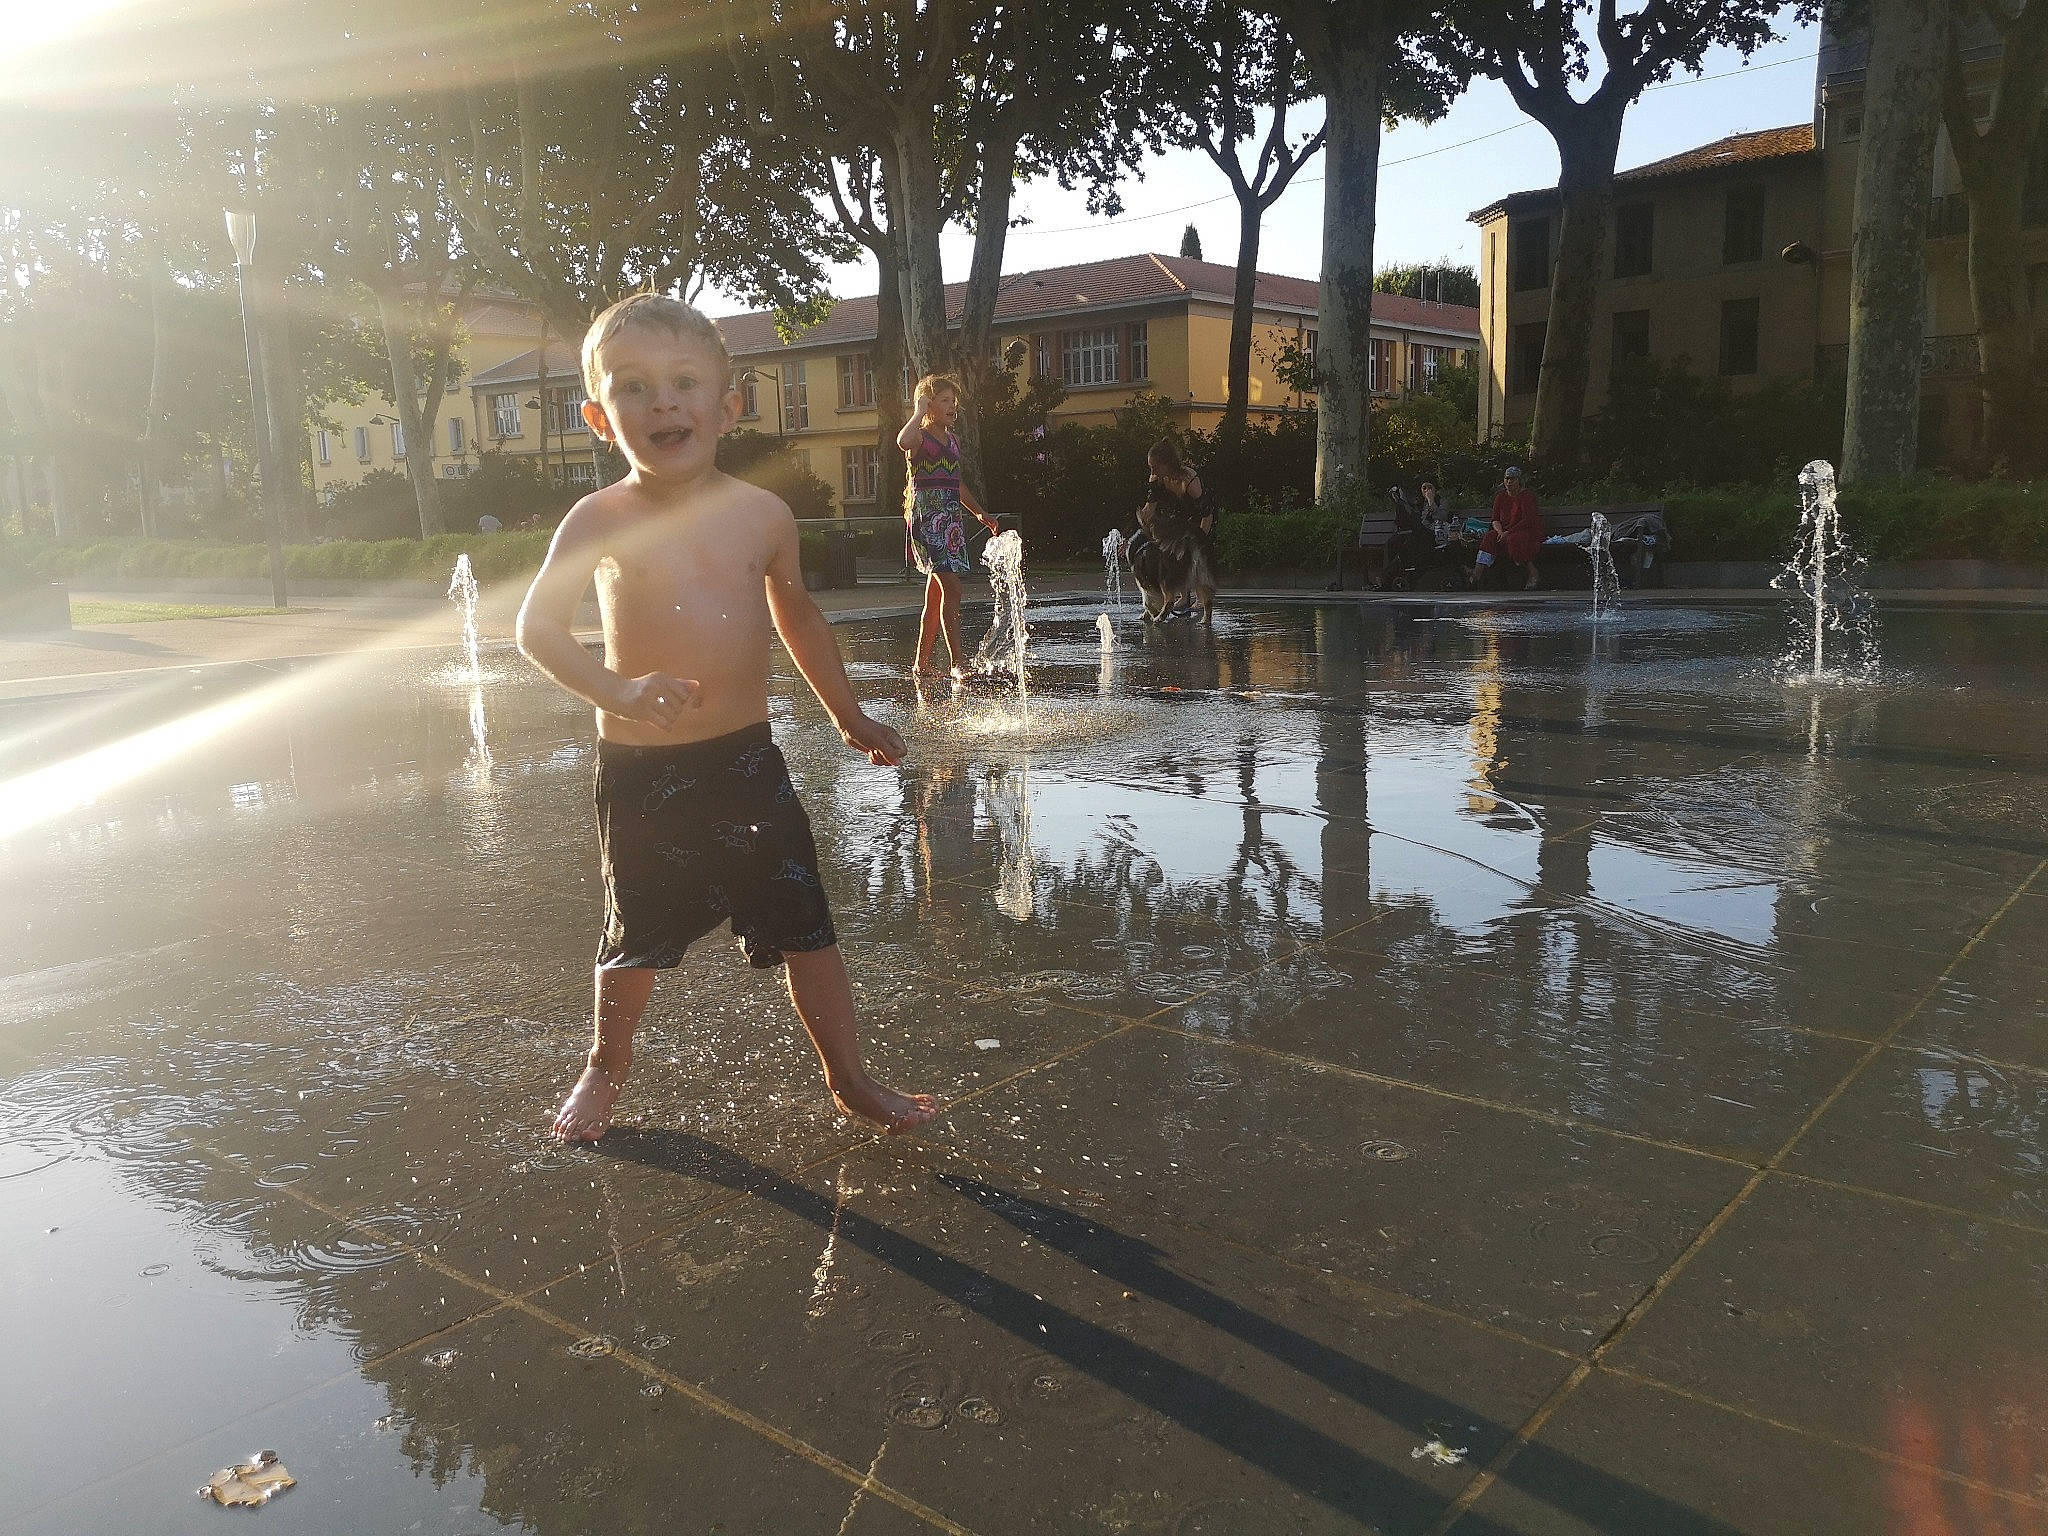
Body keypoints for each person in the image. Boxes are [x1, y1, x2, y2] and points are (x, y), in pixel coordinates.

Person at [515, 293, 937, 1143]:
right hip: (643, 771)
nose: (662, 403)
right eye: (633, 388)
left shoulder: (763, 516)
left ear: (727, 407)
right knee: (634, 933)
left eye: (683, 383)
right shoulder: (599, 519)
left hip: (748, 762)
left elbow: (800, 619)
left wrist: (847, 713)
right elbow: (537, 628)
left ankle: (849, 1078)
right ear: (601, 419)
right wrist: (618, 691)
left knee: (806, 924)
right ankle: (605, 1066)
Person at [897, 374, 999, 676]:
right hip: (928, 521)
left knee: (937, 594)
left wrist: (980, 513)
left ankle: (921, 664)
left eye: (954, 401)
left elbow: (957, 483)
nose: (952, 406)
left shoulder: (954, 441)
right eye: (944, 400)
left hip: (951, 522)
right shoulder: (920, 437)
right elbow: (902, 441)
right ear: (929, 405)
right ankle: (958, 661)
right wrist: (917, 411)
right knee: (952, 587)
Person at [1134, 438, 1218, 622]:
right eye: (1150, 467)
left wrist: (1198, 542)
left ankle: (1201, 599)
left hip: (1201, 518)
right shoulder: (1156, 478)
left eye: (1155, 467)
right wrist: (1142, 524)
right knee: (1172, 555)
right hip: (1178, 519)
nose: (1152, 472)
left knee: (1193, 557)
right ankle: (1182, 597)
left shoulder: (1189, 480)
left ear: (1167, 464)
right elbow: (1150, 507)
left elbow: (1207, 515)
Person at [1471, 466, 1544, 590]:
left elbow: (1528, 519)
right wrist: (1500, 531)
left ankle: (1532, 572)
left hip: (1525, 530)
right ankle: (1476, 574)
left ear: (1519, 481)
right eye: (1507, 478)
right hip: (1503, 530)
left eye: (1513, 479)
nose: (1509, 482)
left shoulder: (1527, 496)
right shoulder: (1500, 497)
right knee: (1490, 537)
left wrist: (1508, 532)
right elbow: (1495, 519)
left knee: (1514, 540)